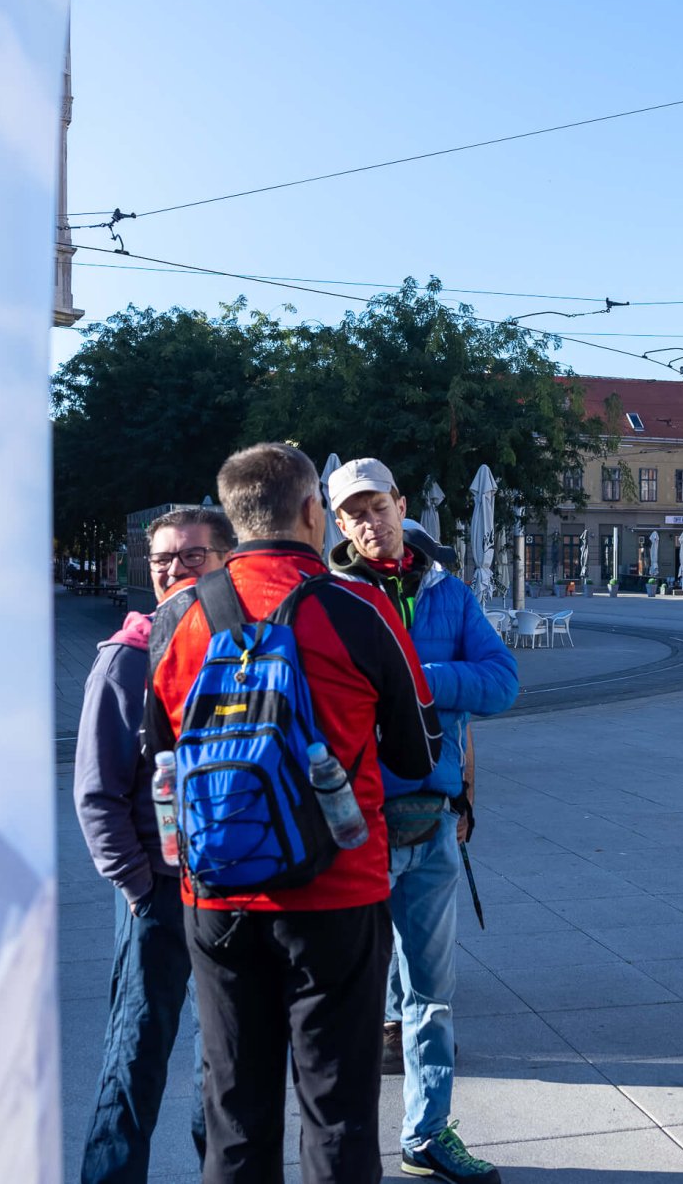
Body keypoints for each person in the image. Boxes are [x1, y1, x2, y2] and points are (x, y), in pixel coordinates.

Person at [144, 442, 441, 1184]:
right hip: (338, 888)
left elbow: (158, 750)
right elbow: (417, 751)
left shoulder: (178, 617)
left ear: (233, 519)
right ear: (314, 512)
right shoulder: (361, 607)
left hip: (217, 892)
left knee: (234, 1114)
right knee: (338, 1113)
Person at [326, 459, 519, 1184]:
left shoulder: (448, 592)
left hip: (432, 822)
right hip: (356, 828)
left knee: (432, 995)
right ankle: (343, 1146)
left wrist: (419, 678)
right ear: (338, 524)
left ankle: (426, 1135)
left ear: (401, 505)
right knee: (350, 996)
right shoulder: (328, 598)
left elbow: (502, 683)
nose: (369, 522)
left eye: (378, 506)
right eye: (354, 513)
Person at [74, 508, 235, 1183]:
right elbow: (97, 793)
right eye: (163, 558)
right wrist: (139, 887)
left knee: (224, 1066)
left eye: (192, 556)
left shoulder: (245, 646)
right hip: (159, 893)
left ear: (227, 561)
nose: (174, 569)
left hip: (230, 890)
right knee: (134, 1059)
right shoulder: (127, 657)